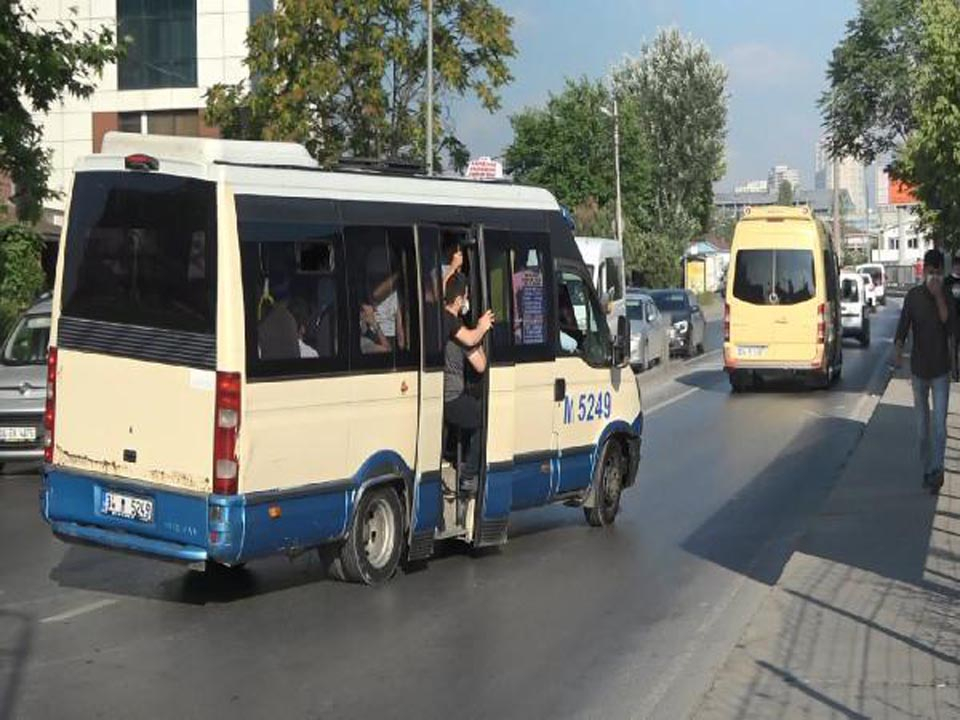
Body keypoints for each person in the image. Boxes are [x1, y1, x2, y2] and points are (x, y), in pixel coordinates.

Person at [894, 248, 958, 494]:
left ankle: (937, 470)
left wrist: (940, 296)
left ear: (942, 273)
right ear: (924, 272)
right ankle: (927, 469)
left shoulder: (948, 297)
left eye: (938, 273)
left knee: (939, 426)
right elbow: (902, 327)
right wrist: (898, 350)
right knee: (923, 430)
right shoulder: (913, 297)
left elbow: (950, 326)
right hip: (919, 370)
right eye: (930, 273)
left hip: (941, 370)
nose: (934, 278)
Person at [442, 273, 494, 520]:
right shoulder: (453, 325)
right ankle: (468, 475)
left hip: (440, 397)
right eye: (466, 298)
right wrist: (482, 327)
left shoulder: (439, 318)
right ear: (460, 299)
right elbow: (481, 365)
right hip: (450, 398)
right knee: (481, 418)